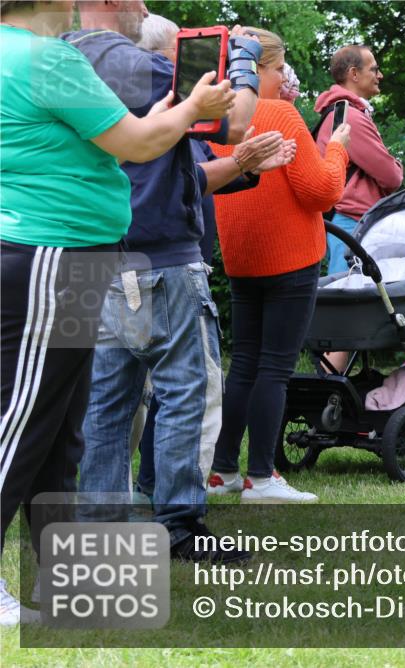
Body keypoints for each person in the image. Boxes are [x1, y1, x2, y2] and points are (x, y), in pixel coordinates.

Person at [0, 0, 234, 625]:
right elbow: (138, 145)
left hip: (68, 260)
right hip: (53, 257)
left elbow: (127, 133)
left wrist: (174, 113)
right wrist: (196, 109)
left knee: (59, 431)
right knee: (22, 422)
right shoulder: (46, 59)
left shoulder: (24, 56)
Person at [65, 2, 269, 565]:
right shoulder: (136, 66)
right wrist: (244, 59)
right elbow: (236, 120)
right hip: (162, 259)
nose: (145, 7)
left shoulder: (57, 64)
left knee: (103, 404)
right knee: (187, 392)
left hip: (88, 259)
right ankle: (179, 525)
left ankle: (101, 530)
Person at [132, 14, 290, 500]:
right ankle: (178, 514)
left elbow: (193, 179)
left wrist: (242, 166)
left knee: (130, 400)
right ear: (169, 56)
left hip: (129, 263)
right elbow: (316, 184)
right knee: (192, 392)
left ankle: (140, 494)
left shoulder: (133, 104)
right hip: (171, 263)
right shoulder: (170, 98)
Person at [205, 27, 350, 504]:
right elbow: (321, 191)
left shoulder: (216, 116)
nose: (284, 76)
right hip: (289, 255)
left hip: (242, 255)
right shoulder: (282, 115)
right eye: (280, 68)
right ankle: (262, 476)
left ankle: (223, 468)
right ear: (264, 69)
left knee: (243, 363)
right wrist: (337, 147)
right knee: (275, 366)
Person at [316, 44, 403, 275]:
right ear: (354, 74)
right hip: (352, 224)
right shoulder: (350, 117)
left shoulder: (339, 112)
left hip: (344, 221)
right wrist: (396, 164)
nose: (380, 75)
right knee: (348, 298)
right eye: (374, 70)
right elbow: (392, 177)